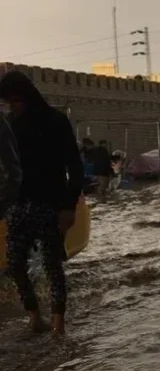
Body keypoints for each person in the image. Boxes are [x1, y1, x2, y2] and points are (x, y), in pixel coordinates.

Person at [0, 70, 83, 336]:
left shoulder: (56, 122)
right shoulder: (9, 126)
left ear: (28, 96)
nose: (12, 106)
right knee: (15, 265)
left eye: (15, 101)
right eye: (7, 102)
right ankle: (35, 317)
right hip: (18, 206)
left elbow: (75, 167)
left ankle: (59, 324)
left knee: (51, 264)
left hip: (51, 205)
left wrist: (69, 206)